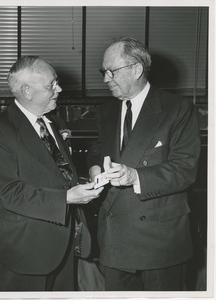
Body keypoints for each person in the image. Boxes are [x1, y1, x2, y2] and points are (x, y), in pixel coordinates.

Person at [0, 56, 103, 291]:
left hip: (65, 243)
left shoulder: (51, 123)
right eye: (51, 85)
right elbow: (10, 193)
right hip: (27, 250)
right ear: (26, 91)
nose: (59, 89)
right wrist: (67, 198)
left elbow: (57, 174)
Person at [88, 37, 201, 291]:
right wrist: (94, 167)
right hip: (115, 241)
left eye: (111, 71)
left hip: (160, 243)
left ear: (136, 69)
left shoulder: (178, 109)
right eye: (103, 72)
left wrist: (134, 176)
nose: (105, 79)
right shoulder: (105, 111)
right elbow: (97, 148)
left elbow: (185, 170)